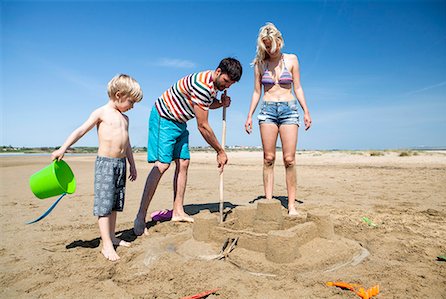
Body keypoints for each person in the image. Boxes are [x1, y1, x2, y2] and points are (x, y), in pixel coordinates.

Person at [133, 57, 242, 236]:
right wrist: (220, 151)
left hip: (180, 121)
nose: (227, 86)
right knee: (162, 165)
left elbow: (205, 104)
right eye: (226, 81)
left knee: (183, 162)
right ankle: (140, 216)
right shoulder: (202, 85)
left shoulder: (212, 85)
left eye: (231, 84)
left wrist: (220, 103)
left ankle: (177, 211)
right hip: (164, 117)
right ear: (218, 72)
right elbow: (202, 125)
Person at [51, 74, 143, 261]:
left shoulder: (125, 118)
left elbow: (127, 144)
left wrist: (132, 164)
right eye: (131, 102)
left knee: (116, 203)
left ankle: (113, 237)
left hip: (120, 164)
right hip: (106, 164)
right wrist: (63, 148)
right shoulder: (101, 112)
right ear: (119, 95)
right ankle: (106, 244)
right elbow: (81, 130)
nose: (132, 106)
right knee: (104, 204)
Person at [244, 22, 312, 216]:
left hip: (289, 110)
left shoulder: (292, 60)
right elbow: (257, 91)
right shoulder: (259, 63)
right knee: (268, 158)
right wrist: (249, 115)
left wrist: (306, 111)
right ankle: (268, 203)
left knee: (289, 159)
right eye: (265, 45)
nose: (268, 49)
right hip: (267, 111)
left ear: (279, 41)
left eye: (271, 44)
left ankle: (291, 206)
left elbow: (297, 87)